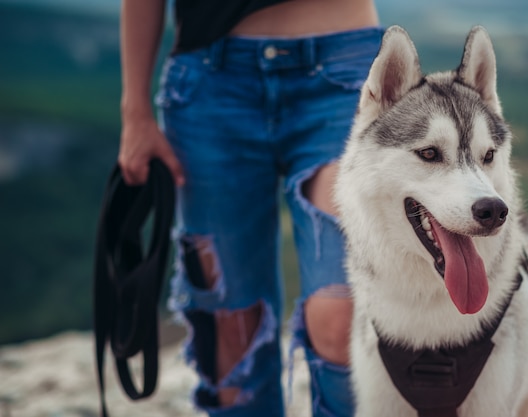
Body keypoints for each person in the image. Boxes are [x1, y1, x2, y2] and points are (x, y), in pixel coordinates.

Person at [117, 1, 382, 416]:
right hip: (210, 86)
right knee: (233, 329)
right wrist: (135, 112)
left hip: (342, 74)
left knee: (342, 315)